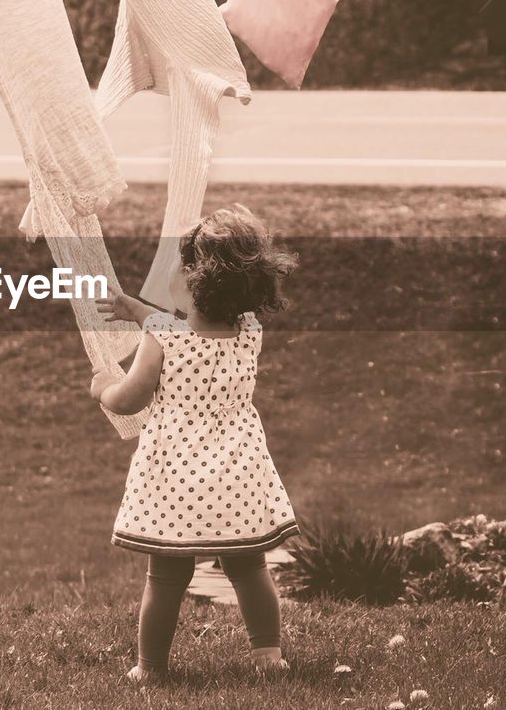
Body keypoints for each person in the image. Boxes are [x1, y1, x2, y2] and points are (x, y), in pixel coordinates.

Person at [91, 204, 299, 683]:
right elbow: (187, 328)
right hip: (238, 475)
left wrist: (103, 385)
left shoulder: (163, 339)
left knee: (165, 579)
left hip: (176, 482)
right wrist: (137, 311)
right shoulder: (249, 332)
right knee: (249, 570)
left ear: (193, 279)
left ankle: (151, 668)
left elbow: (129, 399)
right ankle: (269, 655)